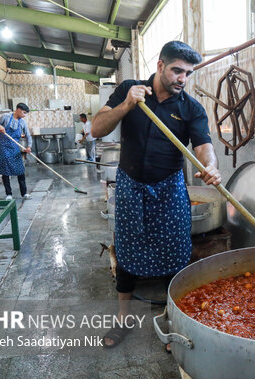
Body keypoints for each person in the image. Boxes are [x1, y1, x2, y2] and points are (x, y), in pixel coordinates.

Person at [91, 40, 221, 348]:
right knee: (126, 249)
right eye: (177, 70)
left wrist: (211, 168)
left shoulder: (190, 108)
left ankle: (173, 318)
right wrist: (126, 105)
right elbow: (96, 129)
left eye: (188, 73)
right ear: (160, 65)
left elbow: (204, 148)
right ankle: (123, 320)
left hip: (168, 187)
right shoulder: (129, 89)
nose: (182, 79)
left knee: (176, 250)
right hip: (131, 184)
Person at [0, 102, 33, 200]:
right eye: (24, 112)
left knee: (20, 171)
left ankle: (24, 193)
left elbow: (28, 136)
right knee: (5, 171)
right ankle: (8, 194)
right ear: (18, 110)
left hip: (15, 148)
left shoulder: (22, 122)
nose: (24, 115)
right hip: (4, 147)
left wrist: (29, 146)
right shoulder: (5, 117)